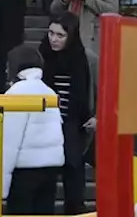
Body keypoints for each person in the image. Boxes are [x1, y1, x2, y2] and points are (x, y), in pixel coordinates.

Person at [0, 45, 66, 215]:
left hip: (24, 171)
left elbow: (7, 141)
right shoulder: (49, 91)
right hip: (50, 168)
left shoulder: (16, 93)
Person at [39, 11, 94, 214]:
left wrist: (94, 115)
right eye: (51, 33)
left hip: (73, 123)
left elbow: (93, 89)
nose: (54, 39)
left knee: (74, 173)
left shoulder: (84, 59)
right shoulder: (41, 55)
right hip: (45, 124)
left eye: (60, 35)